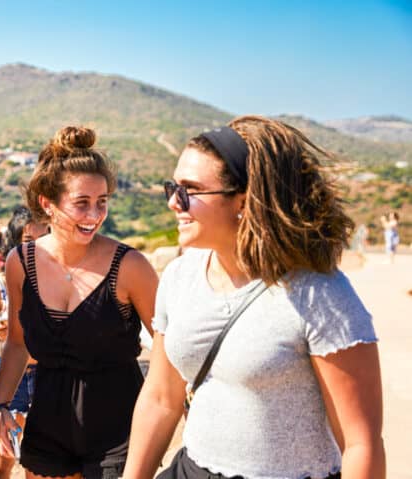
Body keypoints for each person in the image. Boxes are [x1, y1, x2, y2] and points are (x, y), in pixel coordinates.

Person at [123, 117, 385, 479]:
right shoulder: (181, 277)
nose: (172, 202)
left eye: (189, 190)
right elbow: (161, 398)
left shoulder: (320, 294)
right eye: (172, 186)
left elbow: (361, 444)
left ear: (243, 201)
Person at [0, 126, 158, 479]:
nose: (94, 215)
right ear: (47, 204)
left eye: (102, 202)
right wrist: (1, 405)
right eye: (81, 203)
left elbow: (169, 349)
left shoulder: (130, 267)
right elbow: (18, 343)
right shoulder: (20, 263)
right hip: (48, 422)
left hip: (120, 429)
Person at [0, 206, 48, 479]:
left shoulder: (57, 282)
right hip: (10, 376)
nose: (38, 247)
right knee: (3, 457)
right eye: (29, 241)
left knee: (39, 460)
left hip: (48, 376)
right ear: (15, 241)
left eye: (45, 238)